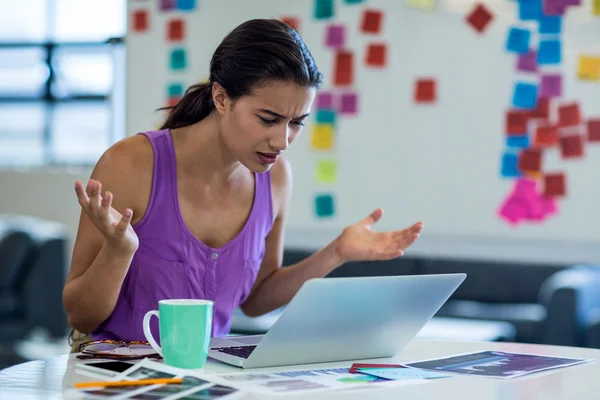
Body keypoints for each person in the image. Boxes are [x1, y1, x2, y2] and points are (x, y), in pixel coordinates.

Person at [62, 19, 424, 351]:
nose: (282, 141)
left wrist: (337, 252)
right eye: (268, 119)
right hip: (114, 375)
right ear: (221, 98)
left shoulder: (276, 177)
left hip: (204, 376)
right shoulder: (130, 165)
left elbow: (255, 300)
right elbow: (80, 316)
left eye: (297, 122)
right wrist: (119, 251)